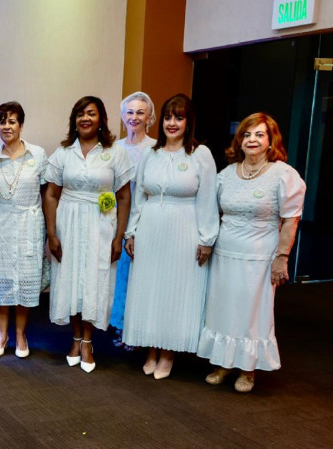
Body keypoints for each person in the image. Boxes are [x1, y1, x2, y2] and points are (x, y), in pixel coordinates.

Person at [197, 113, 305, 393]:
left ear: (271, 141)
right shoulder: (226, 174)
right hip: (225, 252)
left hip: (260, 255)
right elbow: (211, 212)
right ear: (239, 140)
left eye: (259, 135)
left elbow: (291, 220)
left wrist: (282, 257)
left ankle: (248, 369)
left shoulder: (283, 175)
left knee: (252, 313)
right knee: (223, 308)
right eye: (247, 135)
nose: (252, 140)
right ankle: (223, 363)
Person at [122, 94, 219, 380]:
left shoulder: (200, 155)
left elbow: (208, 199)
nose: (172, 123)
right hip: (151, 228)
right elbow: (140, 196)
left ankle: (168, 353)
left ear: (188, 122)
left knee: (175, 290)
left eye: (179, 117)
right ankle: (151, 349)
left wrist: (206, 239)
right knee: (150, 289)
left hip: (184, 230)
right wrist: (132, 231)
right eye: (167, 117)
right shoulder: (151, 153)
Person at [44, 96, 133, 373]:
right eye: (80, 113)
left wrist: (119, 236)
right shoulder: (62, 153)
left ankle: (87, 342)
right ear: (74, 119)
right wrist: (51, 233)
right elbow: (51, 193)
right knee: (71, 280)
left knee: (94, 281)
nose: (85, 118)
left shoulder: (115, 152)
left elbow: (124, 196)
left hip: (101, 224)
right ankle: (74, 339)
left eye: (91, 113)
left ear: (101, 119)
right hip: (67, 223)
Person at [0, 101, 48, 358]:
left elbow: (47, 193)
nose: (7, 126)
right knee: (3, 282)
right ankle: (2, 334)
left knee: (26, 281)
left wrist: (48, 231)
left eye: (12, 121)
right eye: (2, 121)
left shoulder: (38, 154)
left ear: (21, 125)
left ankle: (20, 334)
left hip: (30, 223)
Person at [109, 92, 158, 348]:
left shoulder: (155, 148)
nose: (134, 117)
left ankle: (136, 329)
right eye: (130, 112)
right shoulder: (114, 148)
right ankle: (116, 324)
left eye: (140, 112)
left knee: (137, 276)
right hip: (115, 219)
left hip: (143, 219)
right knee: (117, 275)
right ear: (122, 115)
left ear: (150, 117)